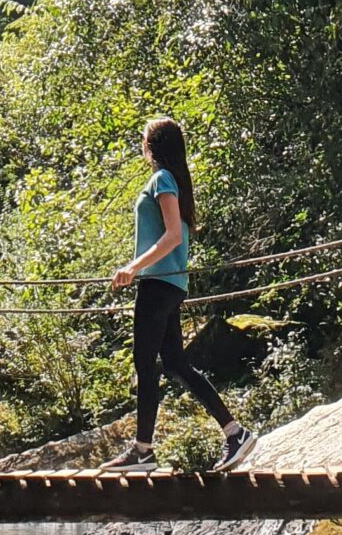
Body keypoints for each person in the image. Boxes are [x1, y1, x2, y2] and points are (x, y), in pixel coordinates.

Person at [105, 115, 250, 472]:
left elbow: (172, 235)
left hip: (159, 283)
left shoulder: (163, 179)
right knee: (173, 363)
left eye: (143, 139)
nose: (140, 145)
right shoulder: (170, 180)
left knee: (144, 360)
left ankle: (142, 450)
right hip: (167, 283)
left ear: (151, 145)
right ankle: (234, 433)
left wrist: (132, 267)